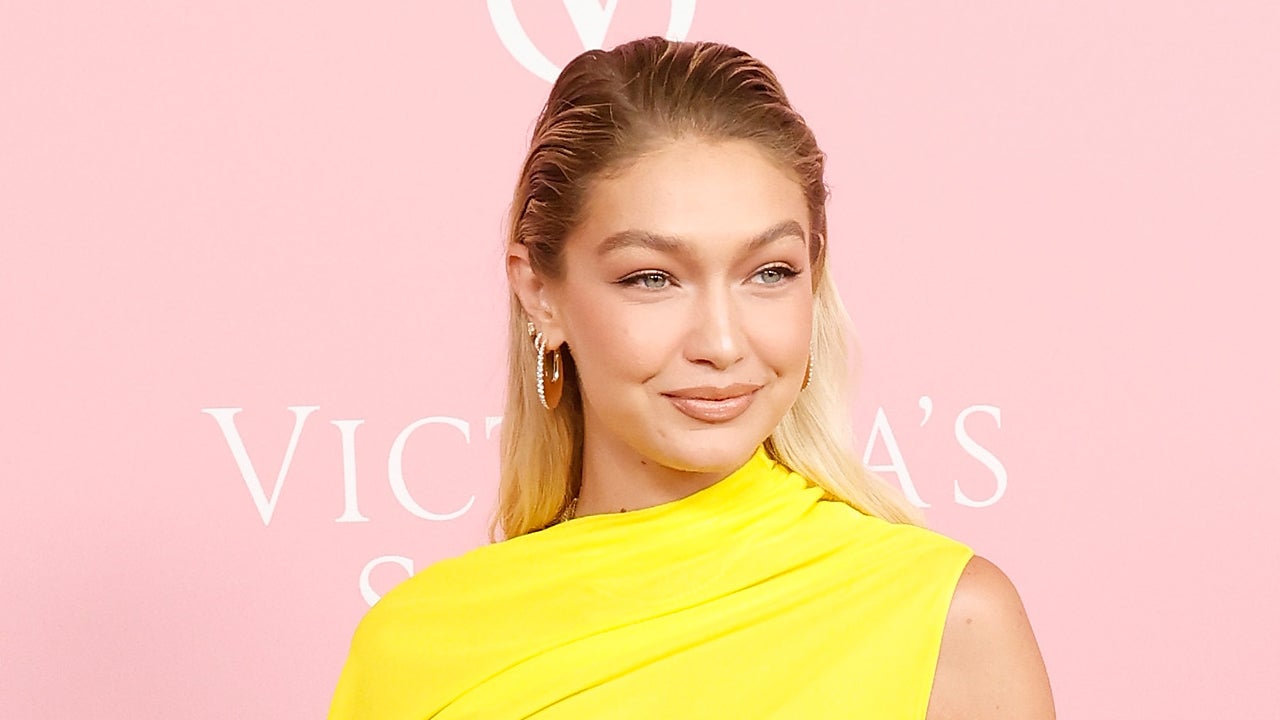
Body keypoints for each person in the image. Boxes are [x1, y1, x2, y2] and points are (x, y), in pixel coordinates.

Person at [329, 37, 1054, 718]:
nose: (722, 343)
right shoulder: (414, 649)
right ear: (540, 293)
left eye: (769, 273)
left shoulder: (950, 620)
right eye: (652, 278)